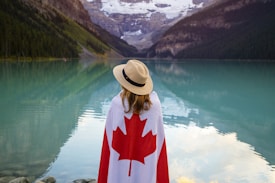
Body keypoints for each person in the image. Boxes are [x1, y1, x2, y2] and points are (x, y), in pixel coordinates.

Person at [97, 59, 169, 183]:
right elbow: (159, 143)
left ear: (124, 83)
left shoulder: (116, 104)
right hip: (146, 171)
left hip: (118, 172)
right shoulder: (155, 106)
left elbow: (108, 142)